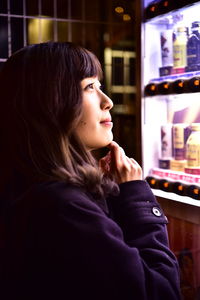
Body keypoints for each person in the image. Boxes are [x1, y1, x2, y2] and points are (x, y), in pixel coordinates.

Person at [0, 42, 181, 300]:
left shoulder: (30, 187)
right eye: (89, 87)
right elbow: (162, 293)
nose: (107, 102)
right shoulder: (62, 207)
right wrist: (135, 195)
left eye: (100, 86)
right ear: (51, 103)